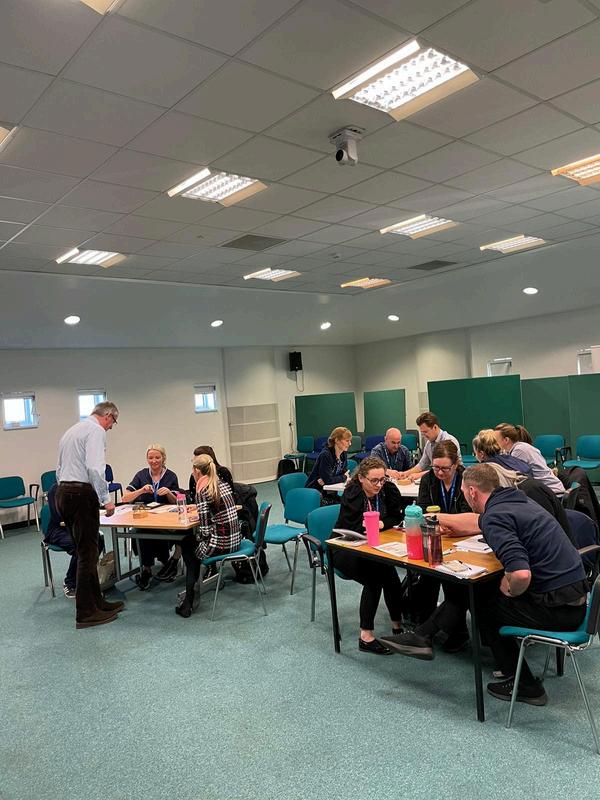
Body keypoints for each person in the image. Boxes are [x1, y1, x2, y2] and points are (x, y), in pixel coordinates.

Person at [382, 464, 588, 708]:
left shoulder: (496, 516)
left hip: (560, 610)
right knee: (479, 590)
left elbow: (521, 573)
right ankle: (423, 636)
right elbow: (478, 521)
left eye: (464, 492)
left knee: (481, 603)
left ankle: (526, 686)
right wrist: (440, 518)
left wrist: (511, 588)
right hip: (574, 597)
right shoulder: (517, 500)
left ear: (472, 492)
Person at [55, 401, 124, 629]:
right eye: (113, 422)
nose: (111, 427)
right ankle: (85, 613)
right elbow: (95, 468)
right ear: (108, 416)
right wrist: (106, 499)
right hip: (81, 494)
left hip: (63, 492)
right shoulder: (95, 431)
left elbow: (59, 469)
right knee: (87, 554)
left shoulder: (72, 430)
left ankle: (97, 603)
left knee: (87, 551)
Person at [333, 457, 405, 655]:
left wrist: (382, 523)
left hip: (376, 545)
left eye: (382, 479)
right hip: (345, 547)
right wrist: (368, 526)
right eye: (374, 481)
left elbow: (396, 516)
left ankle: (397, 626)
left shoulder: (388, 489)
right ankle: (365, 637)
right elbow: (349, 526)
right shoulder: (353, 493)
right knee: (375, 578)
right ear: (361, 478)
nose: (379, 485)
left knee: (391, 575)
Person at [409, 441, 472, 649]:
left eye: (445, 468)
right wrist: (438, 524)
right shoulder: (428, 479)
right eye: (436, 467)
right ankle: (426, 625)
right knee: (427, 575)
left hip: (462, 539)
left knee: (454, 581)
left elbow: (468, 513)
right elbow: (423, 508)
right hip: (436, 536)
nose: (439, 472)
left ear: (455, 465)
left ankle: (458, 632)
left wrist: (449, 524)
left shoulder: (466, 479)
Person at [176, 454, 242, 619]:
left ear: (197, 471)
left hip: (220, 546)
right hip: (236, 541)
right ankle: (194, 590)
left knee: (187, 545)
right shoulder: (222, 484)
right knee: (191, 544)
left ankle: (189, 599)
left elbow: (205, 531)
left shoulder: (203, 491)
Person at [121, 444, 179, 589]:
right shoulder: (141, 475)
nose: (154, 461)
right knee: (140, 531)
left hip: (166, 520)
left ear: (163, 458)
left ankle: (165, 563)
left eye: (157, 457)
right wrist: (141, 490)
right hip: (144, 519)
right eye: (151, 458)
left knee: (156, 531)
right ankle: (147, 569)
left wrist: (168, 493)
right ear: (147, 459)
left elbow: (177, 502)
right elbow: (125, 498)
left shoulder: (171, 476)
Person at [494, 423, 564, 495]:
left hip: (552, 492)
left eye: (495, 440)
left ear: (506, 440)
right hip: (548, 490)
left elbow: (514, 478)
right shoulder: (519, 447)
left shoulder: (519, 450)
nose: (494, 443)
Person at [397, 412, 461, 481]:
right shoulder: (429, 443)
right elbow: (422, 465)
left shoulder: (450, 441)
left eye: (425, 432)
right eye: (422, 433)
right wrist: (406, 473)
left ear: (435, 427)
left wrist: (420, 475)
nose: (424, 435)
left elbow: (442, 469)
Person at [306, 426, 352, 497]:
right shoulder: (326, 455)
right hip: (316, 492)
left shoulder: (343, 454)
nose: (350, 444)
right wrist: (344, 477)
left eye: (350, 441)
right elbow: (329, 480)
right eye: (347, 441)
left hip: (330, 491)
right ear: (337, 440)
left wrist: (336, 477)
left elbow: (342, 472)